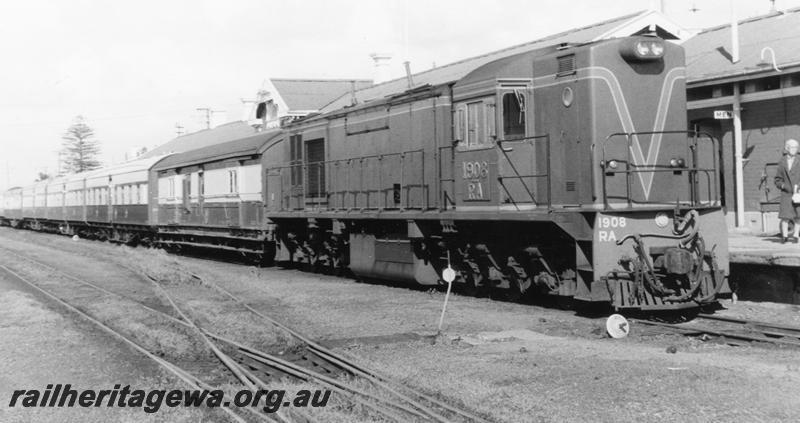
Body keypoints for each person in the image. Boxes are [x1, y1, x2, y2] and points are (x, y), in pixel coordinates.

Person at [774, 138, 800, 243]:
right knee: (785, 216)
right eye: (792, 147)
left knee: (798, 215)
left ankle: (795, 235)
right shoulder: (782, 161)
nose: (795, 149)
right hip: (786, 193)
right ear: (787, 148)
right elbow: (777, 179)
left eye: (796, 147)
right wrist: (783, 186)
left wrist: (799, 187)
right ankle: (784, 236)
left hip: (798, 192)